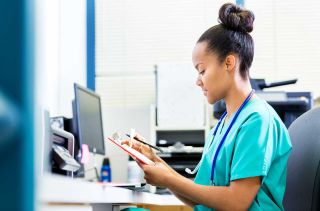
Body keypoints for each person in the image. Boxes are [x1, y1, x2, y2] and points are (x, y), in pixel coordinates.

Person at [123, 3, 292, 210]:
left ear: (229, 63)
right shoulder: (220, 127)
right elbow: (201, 197)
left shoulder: (258, 119)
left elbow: (236, 203)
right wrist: (156, 162)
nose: (198, 81)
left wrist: (168, 179)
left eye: (202, 70)